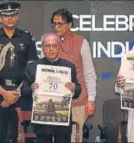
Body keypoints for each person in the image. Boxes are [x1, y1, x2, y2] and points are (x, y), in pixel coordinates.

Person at [0, 2, 38, 143]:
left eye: (12, 15)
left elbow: (33, 69)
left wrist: (17, 92)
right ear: (0, 19)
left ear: (17, 17)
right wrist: (4, 93)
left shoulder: (27, 38)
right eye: (6, 16)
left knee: (22, 137)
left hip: (22, 94)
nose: (9, 18)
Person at [41, 8, 97, 141]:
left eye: (60, 24)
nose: (56, 27)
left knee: (73, 138)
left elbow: (89, 73)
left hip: (77, 101)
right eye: (54, 23)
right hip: (53, 100)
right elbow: (42, 70)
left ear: (69, 25)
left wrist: (91, 99)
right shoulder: (47, 40)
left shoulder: (81, 42)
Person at [21, 33, 81, 143]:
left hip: (62, 118)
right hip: (42, 120)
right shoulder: (33, 67)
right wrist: (31, 88)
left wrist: (74, 88)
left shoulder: (69, 66)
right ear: (42, 47)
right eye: (48, 46)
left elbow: (78, 90)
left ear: (59, 47)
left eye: (54, 46)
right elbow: (23, 90)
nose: (51, 49)